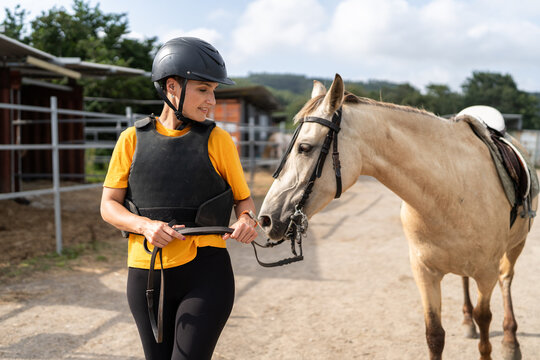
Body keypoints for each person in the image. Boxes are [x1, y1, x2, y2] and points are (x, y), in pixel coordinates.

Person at [100, 37, 259, 360]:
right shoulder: (131, 140)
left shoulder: (219, 140)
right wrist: (144, 225)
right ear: (172, 86)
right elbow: (108, 206)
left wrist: (247, 220)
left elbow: (244, 202)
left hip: (206, 274)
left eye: (213, 91)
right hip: (146, 274)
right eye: (203, 90)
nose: (212, 100)